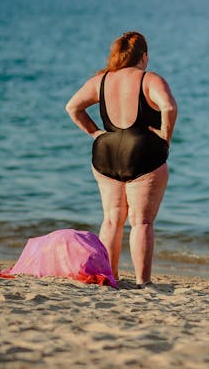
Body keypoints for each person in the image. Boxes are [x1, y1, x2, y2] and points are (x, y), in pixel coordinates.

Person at [65, 31, 177, 287]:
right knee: (142, 222)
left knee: (112, 219)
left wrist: (95, 133)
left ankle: (109, 276)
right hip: (142, 152)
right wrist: (164, 137)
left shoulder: (101, 80)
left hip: (107, 150)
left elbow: (72, 107)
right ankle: (142, 282)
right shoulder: (149, 79)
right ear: (144, 57)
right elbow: (169, 107)